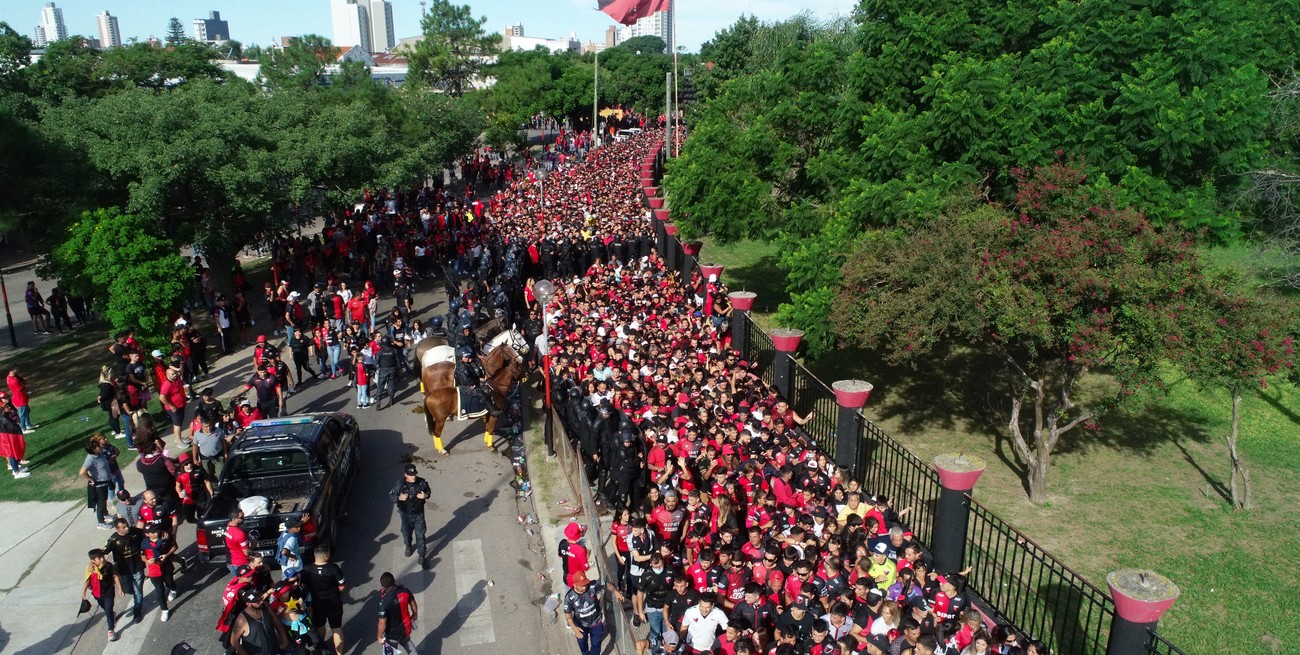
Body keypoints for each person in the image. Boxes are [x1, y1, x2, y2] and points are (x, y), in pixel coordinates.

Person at [562, 570, 624, 655]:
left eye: (585, 584)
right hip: (580, 626)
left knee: (596, 644)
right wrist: (574, 628)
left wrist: (615, 591)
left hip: (596, 623)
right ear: (575, 584)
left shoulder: (592, 586)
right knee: (582, 644)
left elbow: (607, 584)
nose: (584, 587)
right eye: (582, 585)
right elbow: (568, 615)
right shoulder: (569, 597)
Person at [301, 544, 347, 655]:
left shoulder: (307, 570)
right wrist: (339, 593)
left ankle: (321, 649)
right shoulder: (333, 568)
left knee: (320, 626)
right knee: (336, 628)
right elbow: (342, 586)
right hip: (334, 603)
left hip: (317, 603)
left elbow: (304, 586)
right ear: (326, 555)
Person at [104, 518, 147, 623]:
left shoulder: (136, 532)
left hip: (137, 566)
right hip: (124, 570)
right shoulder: (113, 539)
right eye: (123, 527)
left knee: (138, 590)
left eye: (126, 525)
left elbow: (146, 538)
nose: (126, 528)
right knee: (129, 589)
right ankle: (135, 597)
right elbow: (104, 551)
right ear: (117, 529)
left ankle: (137, 611)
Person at [390, 464, 432, 566]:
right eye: (411, 475)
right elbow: (391, 496)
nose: (413, 477)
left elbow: (428, 492)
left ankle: (422, 556)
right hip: (405, 515)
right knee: (406, 533)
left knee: (420, 536)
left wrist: (425, 496)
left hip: (418, 514)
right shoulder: (399, 484)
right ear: (405, 475)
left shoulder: (421, 483)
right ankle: (408, 545)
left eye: (414, 474)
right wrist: (399, 498)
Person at [230, 587, 290, 655]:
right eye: (257, 601)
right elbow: (234, 642)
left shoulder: (266, 606)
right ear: (248, 603)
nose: (261, 601)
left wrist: (284, 639)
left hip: (274, 650)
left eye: (261, 598)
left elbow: (277, 622)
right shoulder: (242, 619)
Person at [81, 548, 123, 641]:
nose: (102, 559)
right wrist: (83, 592)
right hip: (97, 594)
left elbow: (115, 577)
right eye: (99, 558)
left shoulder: (109, 566)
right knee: (106, 609)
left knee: (108, 611)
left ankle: (111, 630)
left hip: (109, 592)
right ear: (93, 560)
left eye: (102, 556)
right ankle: (112, 615)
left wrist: (120, 589)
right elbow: (87, 581)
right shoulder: (90, 569)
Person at [141, 524, 178, 622]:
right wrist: (148, 561)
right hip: (154, 570)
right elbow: (142, 556)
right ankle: (164, 609)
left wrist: (166, 555)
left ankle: (173, 589)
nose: (156, 533)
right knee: (159, 590)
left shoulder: (165, 538)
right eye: (153, 532)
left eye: (156, 530)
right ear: (147, 534)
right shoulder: (144, 544)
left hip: (166, 567)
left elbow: (175, 546)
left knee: (169, 582)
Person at [376, 571, 419, 654]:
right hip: (406, 628)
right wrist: (414, 614)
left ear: (382, 586)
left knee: (390, 651)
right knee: (407, 642)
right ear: (394, 580)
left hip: (392, 634)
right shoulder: (405, 591)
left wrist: (379, 636)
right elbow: (413, 603)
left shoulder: (384, 602)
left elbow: (382, 623)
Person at [454, 346, 499, 416]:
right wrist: (477, 381)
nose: (470, 359)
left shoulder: (465, 364)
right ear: (462, 357)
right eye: (468, 357)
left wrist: (479, 379)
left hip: (470, 382)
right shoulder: (462, 367)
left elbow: (472, 374)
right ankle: (492, 411)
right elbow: (467, 380)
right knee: (481, 393)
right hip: (465, 387)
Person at [80, 439, 115, 528]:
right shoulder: (91, 459)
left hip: (105, 483)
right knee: (101, 503)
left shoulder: (100, 454)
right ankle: (101, 523)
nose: (100, 446)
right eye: (97, 446)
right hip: (98, 485)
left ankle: (105, 514)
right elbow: (82, 472)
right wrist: (91, 479)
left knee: (104, 500)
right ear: (93, 449)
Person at [0, 394, 29, 478]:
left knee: (15, 452)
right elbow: (10, 427)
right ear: (3, 409)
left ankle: (16, 469)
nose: (9, 408)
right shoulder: (3, 419)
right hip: (7, 438)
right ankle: (16, 473)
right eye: (7, 407)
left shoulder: (4, 416)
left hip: (9, 437)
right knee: (12, 453)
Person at [7, 369, 35, 433]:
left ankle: (28, 424)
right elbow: (21, 389)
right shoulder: (14, 380)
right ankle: (23, 429)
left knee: (27, 411)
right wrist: (29, 391)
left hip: (20, 397)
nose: (18, 371)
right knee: (22, 414)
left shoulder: (9, 377)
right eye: (17, 370)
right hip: (20, 399)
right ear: (12, 370)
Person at [225, 510, 252, 577]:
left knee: (237, 582)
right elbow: (246, 553)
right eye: (241, 517)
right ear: (234, 519)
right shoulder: (240, 534)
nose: (243, 519)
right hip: (242, 563)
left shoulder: (225, 528)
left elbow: (223, 541)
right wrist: (254, 544)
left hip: (230, 561)